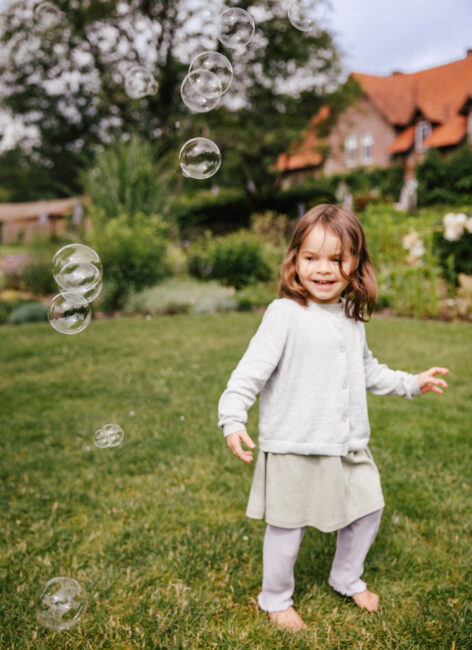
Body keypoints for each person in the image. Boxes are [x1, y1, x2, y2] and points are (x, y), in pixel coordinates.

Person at [217, 204, 449, 632]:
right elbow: (249, 372)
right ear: (295, 261)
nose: (322, 270)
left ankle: (345, 576)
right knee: (287, 528)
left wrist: (410, 383)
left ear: (355, 264)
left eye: (336, 259)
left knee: (368, 509)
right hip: (295, 444)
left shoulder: (349, 316)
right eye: (311, 258)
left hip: (347, 444)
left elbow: (367, 370)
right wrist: (233, 417)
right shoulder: (284, 314)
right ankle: (276, 597)